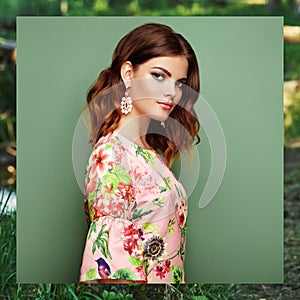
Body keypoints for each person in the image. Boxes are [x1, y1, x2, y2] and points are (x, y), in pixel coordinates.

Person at [79, 23, 200, 284]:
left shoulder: (151, 154)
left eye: (179, 83)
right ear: (128, 73)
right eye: (159, 75)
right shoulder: (112, 155)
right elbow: (112, 274)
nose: (172, 92)